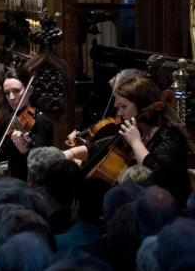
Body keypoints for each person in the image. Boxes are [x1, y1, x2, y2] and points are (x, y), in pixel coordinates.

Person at [63, 75, 192, 201]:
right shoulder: (137, 130)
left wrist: (136, 143)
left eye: (123, 106)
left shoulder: (169, 136)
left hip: (165, 206)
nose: (119, 113)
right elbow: (100, 147)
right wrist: (69, 153)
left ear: (143, 106)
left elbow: (158, 175)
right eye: (118, 107)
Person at [0, 66, 53, 179]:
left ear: (29, 90)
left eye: (16, 91)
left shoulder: (42, 122)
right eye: (7, 93)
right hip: (8, 179)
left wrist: (24, 150)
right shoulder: (9, 119)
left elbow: (41, 165)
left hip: (29, 183)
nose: (11, 97)